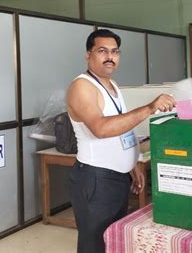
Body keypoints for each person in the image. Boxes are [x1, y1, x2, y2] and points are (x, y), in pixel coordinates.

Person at [66, 29, 175, 253]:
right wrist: (149, 108)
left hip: (115, 178)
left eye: (115, 52)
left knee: (112, 241)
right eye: (102, 51)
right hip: (95, 178)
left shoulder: (112, 85)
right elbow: (101, 128)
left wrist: (132, 162)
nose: (110, 56)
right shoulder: (82, 86)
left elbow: (121, 128)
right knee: (95, 244)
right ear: (88, 54)